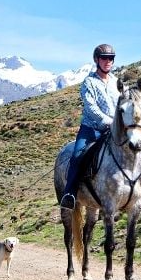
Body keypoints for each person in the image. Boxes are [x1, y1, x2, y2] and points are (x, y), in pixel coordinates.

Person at [59, 43, 121, 210]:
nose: (108, 61)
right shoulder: (89, 82)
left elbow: (121, 105)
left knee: (135, 149)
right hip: (91, 130)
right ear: (96, 60)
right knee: (77, 155)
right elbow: (90, 107)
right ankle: (70, 193)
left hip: (114, 130)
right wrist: (108, 121)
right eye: (104, 58)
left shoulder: (117, 82)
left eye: (111, 58)